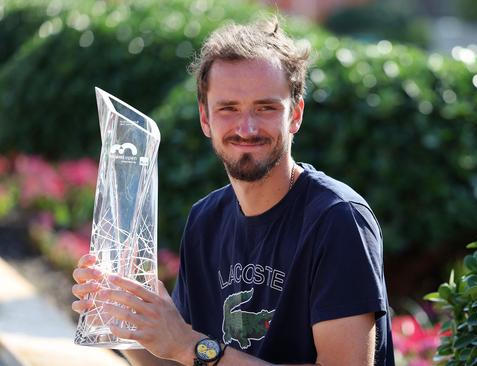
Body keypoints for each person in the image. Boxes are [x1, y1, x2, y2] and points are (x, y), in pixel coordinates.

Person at [71, 18, 394, 366]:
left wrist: (193, 347)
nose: (247, 127)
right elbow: (181, 360)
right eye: (229, 109)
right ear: (205, 119)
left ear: (295, 115)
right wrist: (127, 323)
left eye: (266, 107)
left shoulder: (337, 219)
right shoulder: (205, 219)